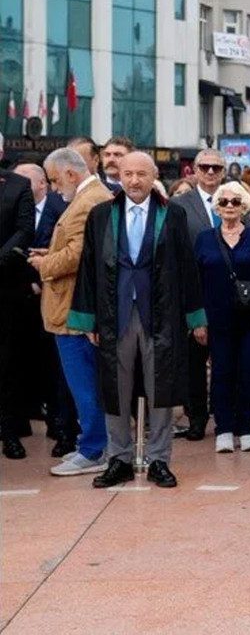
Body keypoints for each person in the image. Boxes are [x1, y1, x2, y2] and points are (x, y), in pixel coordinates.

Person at [69, 151, 207, 489]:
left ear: (153, 175)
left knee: (160, 386)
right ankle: (120, 459)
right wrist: (86, 321)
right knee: (116, 388)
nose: (134, 181)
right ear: (118, 175)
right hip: (114, 315)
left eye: (141, 174)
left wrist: (195, 317)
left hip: (160, 314)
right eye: (128, 174)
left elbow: (187, 267)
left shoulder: (171, 215)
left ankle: (159, 459)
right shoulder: (102, 215)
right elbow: (88, 267)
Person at [33, 148, 114, 475]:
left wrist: (43, 264)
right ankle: (92, 444)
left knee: (84, 384)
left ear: (70, 173)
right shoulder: (90, 197)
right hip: (73, 308)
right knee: (84, 383)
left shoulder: (88, 200)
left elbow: (78, 255)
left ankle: (95, 449)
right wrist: (50, 252)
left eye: (54, 180)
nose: (53, 188)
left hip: (74, 311)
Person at [194, 181, 250, 454]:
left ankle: (246, 429)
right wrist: (198, 320)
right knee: (221, 372)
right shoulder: (204, 238)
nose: (228, 206)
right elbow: (195, 281)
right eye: (223, 202)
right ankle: (223, 428)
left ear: (244, 205)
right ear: (217, 206)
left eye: (235, 201)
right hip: (216, 318)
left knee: (249, 372)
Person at [13, 163, 73, 454]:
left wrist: (42, 280)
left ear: (42, 184)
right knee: (20, 361)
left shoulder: (62, 208)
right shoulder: (10, 207)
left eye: (25, 181)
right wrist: (28, 284)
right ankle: (20, 418)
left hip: (56, 298)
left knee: (56, 366)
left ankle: (60, 427)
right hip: (18, 298)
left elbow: (66, 250)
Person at [171, 148, 228, 441]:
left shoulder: (235, 199)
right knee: (193, 365)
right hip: (193, 296)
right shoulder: (178, 205)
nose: (210, 172)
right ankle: (196, 419)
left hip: (230, 300)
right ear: (193, 170)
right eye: (204, 167)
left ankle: (225, 419)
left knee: (225, 363)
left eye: (216, 168)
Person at [0, 165, 35, 459]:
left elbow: (25, 229)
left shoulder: (18, 185)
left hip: (6, 286)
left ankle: (9, 432)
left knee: (7, 363)